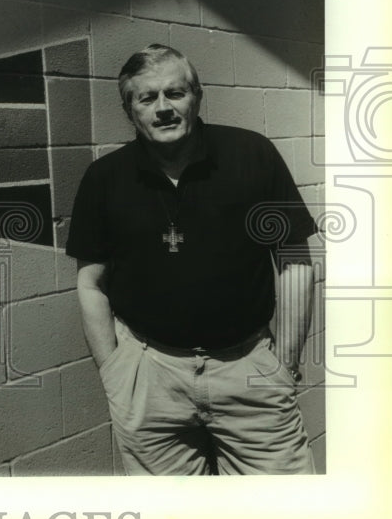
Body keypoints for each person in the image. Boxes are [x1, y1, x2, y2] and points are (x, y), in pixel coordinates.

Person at [66, 44, 317, 475]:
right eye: (147, 98)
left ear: (197, 97)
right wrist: (116, 372)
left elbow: (295, 260)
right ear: (130, 111)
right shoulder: (104, 179)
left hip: (249, 369)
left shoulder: (252, 155)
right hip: (150, 377)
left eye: (175, 93)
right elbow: (91, 283)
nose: (163, 108)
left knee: (286, 516)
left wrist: (285, 363)